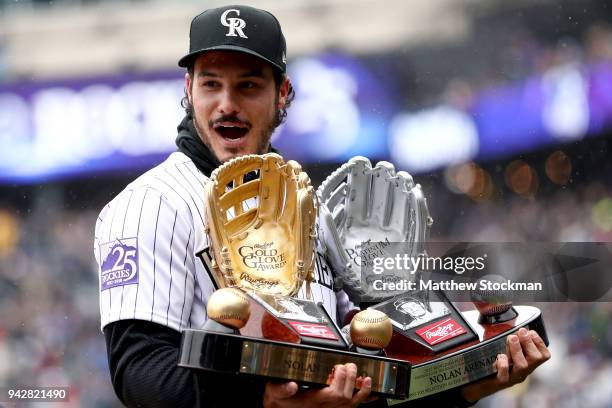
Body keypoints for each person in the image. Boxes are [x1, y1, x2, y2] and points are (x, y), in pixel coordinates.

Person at [93, 5, 550, 407]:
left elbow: (369, 384)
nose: (226, 105)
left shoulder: (316, 213)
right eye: (211, 84)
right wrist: (260, 401)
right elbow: (140, 375)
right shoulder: (148, 206)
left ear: (282, 94)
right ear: (189, 87)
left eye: (248, 85)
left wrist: (464, 384)